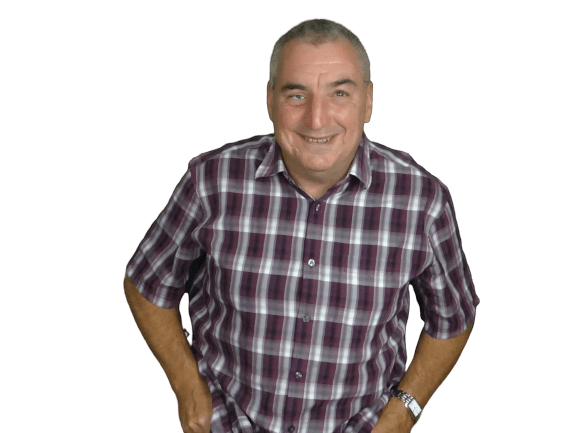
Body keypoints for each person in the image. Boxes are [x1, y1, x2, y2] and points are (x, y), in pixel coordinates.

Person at [124, 18, 479, 433]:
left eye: (340, 93)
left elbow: (453, 319)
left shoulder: (422, 201)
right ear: (270, 101)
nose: (316, 119)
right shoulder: (211, 182)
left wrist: (405, 410)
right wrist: (186, 384)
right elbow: (146, 284)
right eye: (297, 94)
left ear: (368, 102)